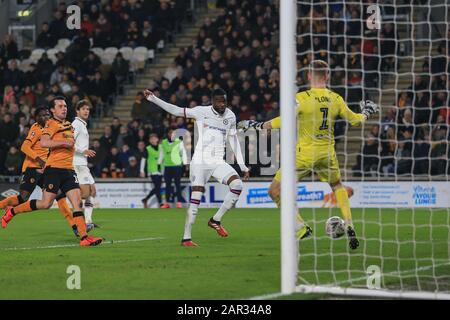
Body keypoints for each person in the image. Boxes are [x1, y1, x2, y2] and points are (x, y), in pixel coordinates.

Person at [238, 60, 380, 250]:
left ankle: (300, 228)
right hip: (327, 153)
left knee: (274, 191)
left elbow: (285, 119)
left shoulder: (302, 97)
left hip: (304, 155)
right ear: (327, 76)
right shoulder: (336, 98)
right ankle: (350, 225)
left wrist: (259, 125)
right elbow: (355, 121)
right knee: (337, 185)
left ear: (309, 76)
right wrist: (366, 113)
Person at [143, 88, 250, 247]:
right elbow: (177, 110)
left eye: (224, 101)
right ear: (212, 101)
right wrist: (154, 99)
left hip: (218, 161)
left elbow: (233, 140)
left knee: (237, 185)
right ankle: (186, 238)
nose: (222, 104)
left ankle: (215, 220)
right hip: (200, 162)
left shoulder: (230, 116)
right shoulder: (201, 111)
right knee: (196, 201)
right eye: (219, 101)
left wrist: (243, 165)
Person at [1, 97, 103, 247]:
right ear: (53, 110)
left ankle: (84, 238)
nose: (64, 108)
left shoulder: (68, 125)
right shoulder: (50, 124)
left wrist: (79, 149)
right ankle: (12, 212)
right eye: (60, 106)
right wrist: (63, 143)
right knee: (45, 204)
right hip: (53, 170)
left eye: (65, 106)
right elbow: (44, 143)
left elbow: (71, 145)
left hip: (69, 170)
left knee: (77, 203)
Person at [0, 107, 79, 237]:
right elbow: (24, 147)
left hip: (47, 169)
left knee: (59, 196)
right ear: (36, 118)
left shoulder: (52, 127)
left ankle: (75, 226)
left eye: (47, 114)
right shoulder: (36, 128)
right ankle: (6, 208)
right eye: (42, 115)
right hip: (32, 168)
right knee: (23, 198)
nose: (46, 117)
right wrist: (39, 160)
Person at [72, 100, 98, 230]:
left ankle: (87, 220)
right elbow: (69, 142)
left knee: (92, 192)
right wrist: (84, 151)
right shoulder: (76, 124)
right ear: (77, 111)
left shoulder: (83, 124)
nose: (86, 111)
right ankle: (79, 222)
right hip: (77, 164)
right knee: (85, 193)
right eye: (83, 109)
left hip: (83, 164)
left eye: (88, 109)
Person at [160, 129, 188, 209]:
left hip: (177, 166)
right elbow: (162, 154)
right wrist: (159, 164)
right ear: (168, 134)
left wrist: (185, 163)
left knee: (177, 185)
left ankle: (179, 202)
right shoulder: (164, 142)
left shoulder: (179, 142)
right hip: (167, 166)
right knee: (167, 186)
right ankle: (167, 203)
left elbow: (183, 153)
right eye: (170, 133)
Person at [140, 134, 163, 208]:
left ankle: (145, 199)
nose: (153, 140)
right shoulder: (148, 148)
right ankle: (160, 203)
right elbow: (143, 159)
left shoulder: (161, 147)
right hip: (152, 170)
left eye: (154, 138)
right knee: (157, 187)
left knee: (157, 187)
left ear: (157, 139)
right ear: (150, 141)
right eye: (151, 139)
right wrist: (142, 170)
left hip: (160, 171)